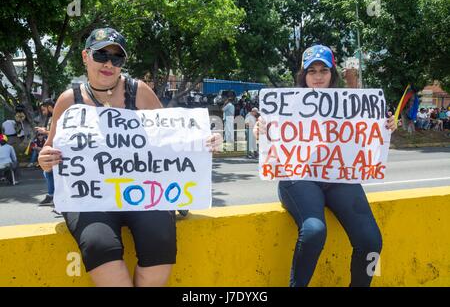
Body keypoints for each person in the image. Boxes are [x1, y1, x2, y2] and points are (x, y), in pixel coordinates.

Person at [38, 27, 221, 287]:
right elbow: (48, 150)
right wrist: (46, 159)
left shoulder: (140, 92)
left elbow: (170, 138)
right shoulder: (69, 101)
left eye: (117, 58)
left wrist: (203, 142)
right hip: (90, 199)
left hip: (141, 193)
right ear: (85, 57)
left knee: (160, 238)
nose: (109, 63)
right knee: (98, 243)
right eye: (101, 55)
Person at [254, 44, 397, 287]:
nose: (318, 77)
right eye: (312, 71)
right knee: (314, 231)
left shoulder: (351, 105)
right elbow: (271, 135)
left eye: (324, 71)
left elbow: (367, 134)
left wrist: (387, 125)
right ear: (303, 76)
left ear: (333, 75)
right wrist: (261, 131)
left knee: (371, 241)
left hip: (338, 176)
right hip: (298, 176)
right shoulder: (286, 104)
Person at [36, 99, 56, 206]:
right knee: (48, 172)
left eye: (44, 109)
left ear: (49, 107)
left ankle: (52, 195)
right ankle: (52, 195)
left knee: (48, 172)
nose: (43, 112)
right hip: (51, 147)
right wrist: (45, 130)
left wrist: (45, 131)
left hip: (55, 147)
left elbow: (57, 132)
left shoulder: (57, 116)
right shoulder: (52, 117)